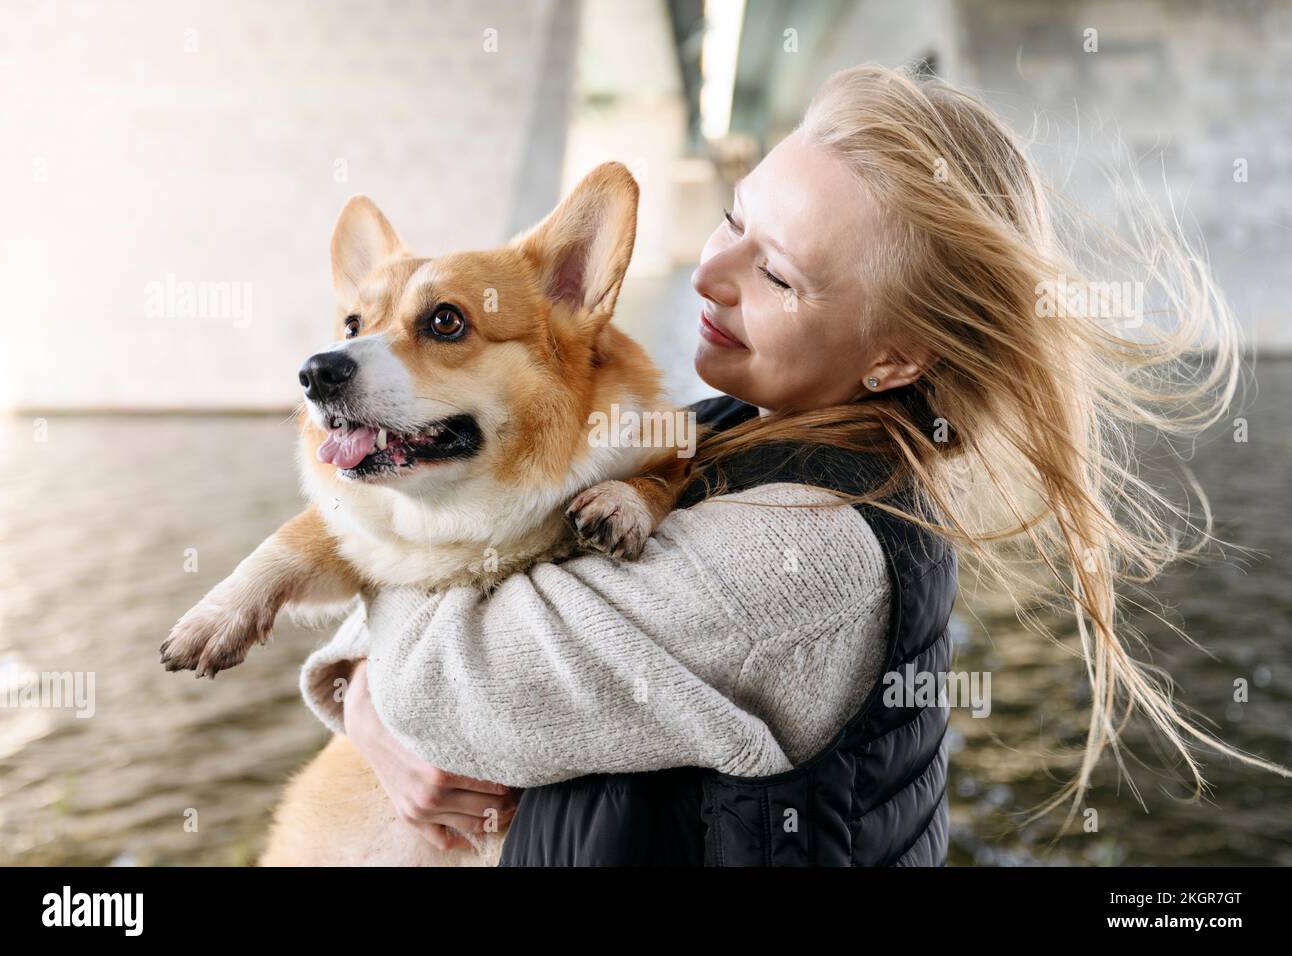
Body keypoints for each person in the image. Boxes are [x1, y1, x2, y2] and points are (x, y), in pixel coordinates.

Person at [299, 63, 1288, 866]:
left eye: (776, 273)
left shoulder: (800, 558)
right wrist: (365, 701)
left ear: (896, 356)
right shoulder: (720, 427)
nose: (708, 271)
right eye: (733, 218)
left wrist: (377, 695)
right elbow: (468, 563)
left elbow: (449, 684)